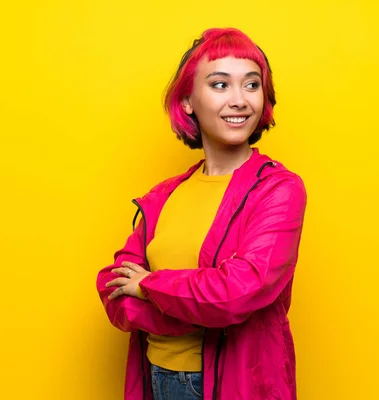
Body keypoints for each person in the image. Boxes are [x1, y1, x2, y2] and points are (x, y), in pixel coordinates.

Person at [96, 27, 307, 400]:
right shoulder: (164, 196)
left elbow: (240, 291)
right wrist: (189, 311)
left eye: (252, 85)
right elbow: (114, 288)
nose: (240, 100)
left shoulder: (278, 190)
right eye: (220, 84)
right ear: (188, 100)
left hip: (232, 386)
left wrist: (149, 286)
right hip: (155, 378)